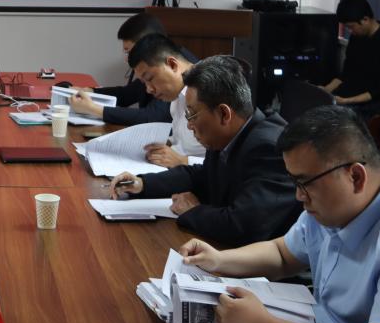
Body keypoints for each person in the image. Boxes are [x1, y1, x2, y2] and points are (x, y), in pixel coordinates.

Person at [179, 105, 380, 323]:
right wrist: (219, 259)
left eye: (304, 183)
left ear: (355, 177)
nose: (299, 196)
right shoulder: (334, 201)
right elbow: (282, 254)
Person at [111, 55, 301, 247]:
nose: (189, 125)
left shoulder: (270, 148)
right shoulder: (228, 136)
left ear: (224, 114)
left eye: (191, 114)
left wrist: (192, 211)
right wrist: (142, 184)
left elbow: (243, 226)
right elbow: (200, 175)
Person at [70, 13, 197, 127]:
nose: (149, 89)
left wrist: (94, 109)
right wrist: (89, 91)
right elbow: (127, 94)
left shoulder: (185, 78)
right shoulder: (157, 69)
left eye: (129, 51)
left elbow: (153, 117)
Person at [116, 33, 205, 167]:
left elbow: (229, 164)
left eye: (150, 79)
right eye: (144, 83)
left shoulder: (212, 92)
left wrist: (182, 161)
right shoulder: (177, 94)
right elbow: (180, 142)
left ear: (172, 65)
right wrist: (163, 145)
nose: (149, 90)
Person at [321, 0, 380, 116]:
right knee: (314, 104)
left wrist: (345, 101)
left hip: (374, 104)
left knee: (328, 115)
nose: (350, 31)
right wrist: (325, 90)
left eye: (351, 27)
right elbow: (345, 75)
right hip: (350, 97)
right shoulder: (357, 38)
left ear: (365, 19)